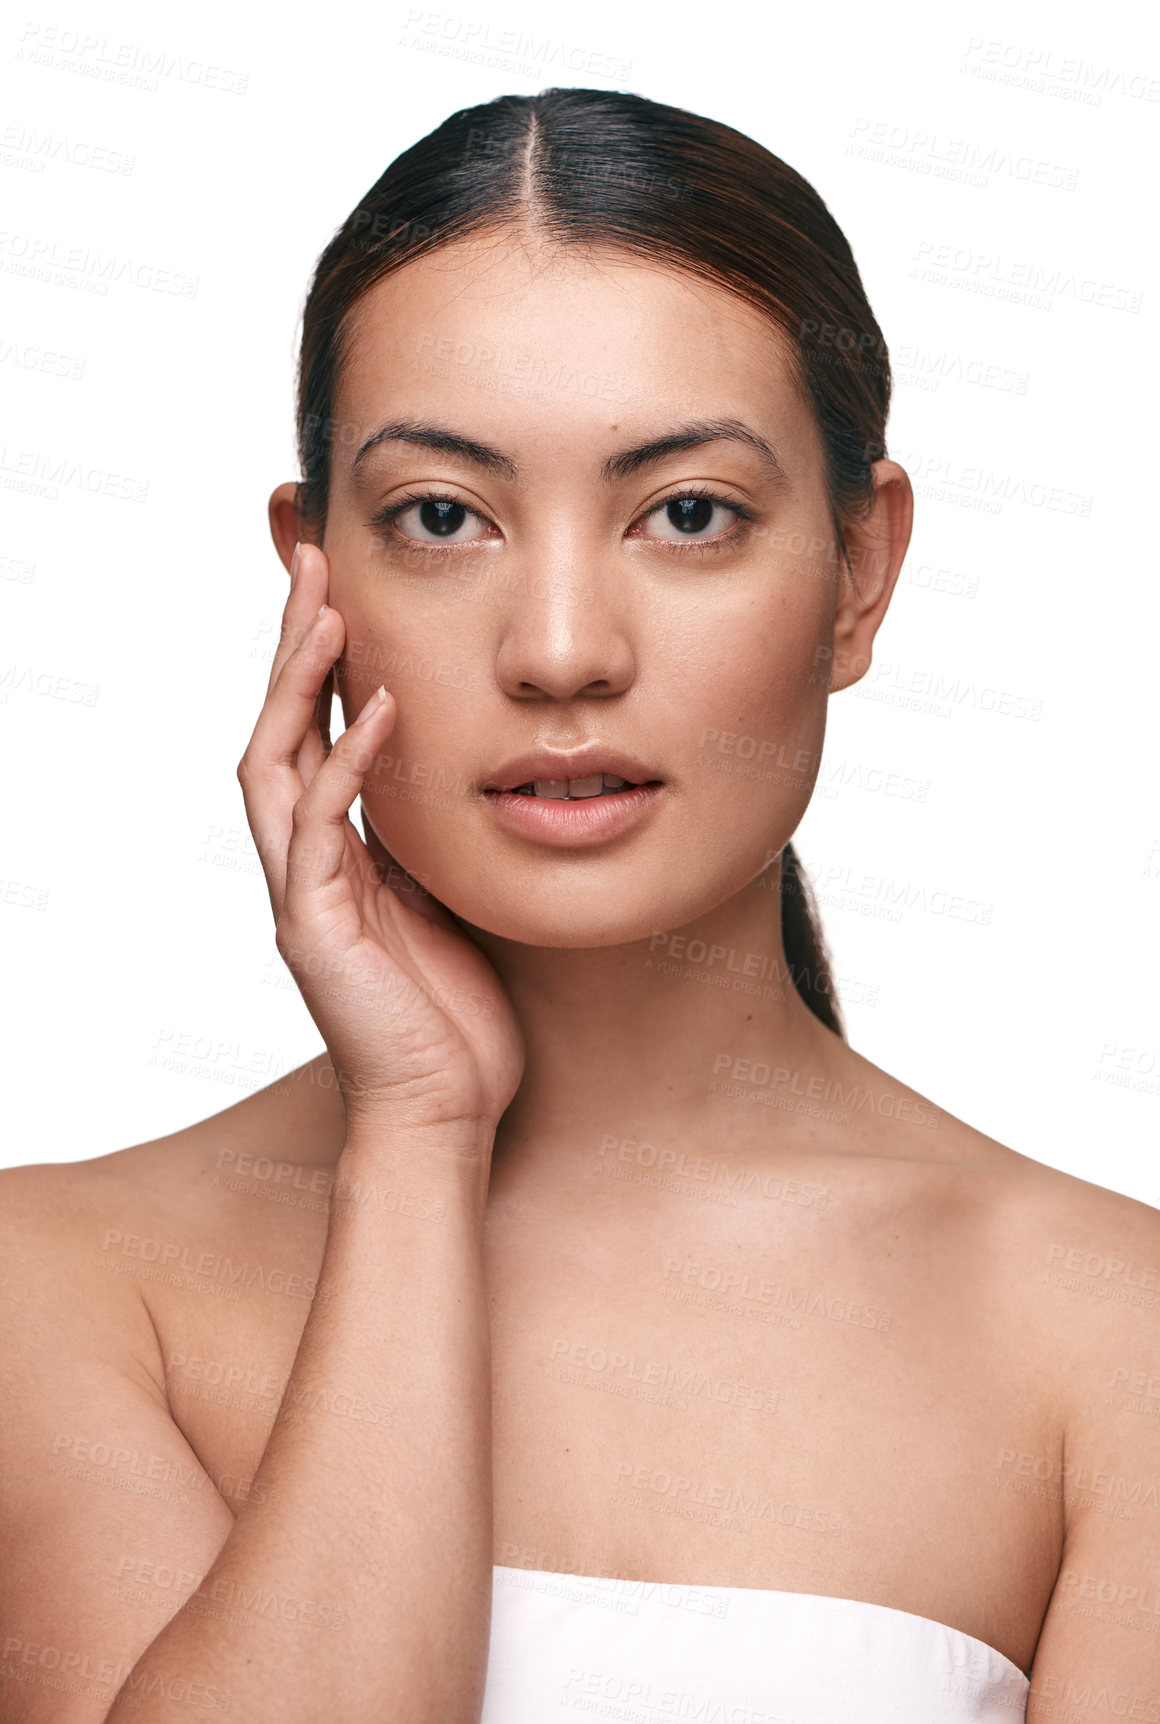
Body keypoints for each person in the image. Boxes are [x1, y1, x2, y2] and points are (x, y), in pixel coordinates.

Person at [1, 86, 1156, 1724]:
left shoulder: (1118, 1341)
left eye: (687, 513)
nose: (560, 648)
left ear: (860, 570)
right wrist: (416, 1138)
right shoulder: (49, 1285)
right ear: (312, 579)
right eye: (442, 518)